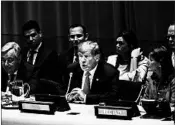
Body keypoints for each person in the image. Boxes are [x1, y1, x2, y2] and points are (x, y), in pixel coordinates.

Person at [66, 40, 119, 104]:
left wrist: (86, 97)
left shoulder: (109, 72)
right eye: (80, 56)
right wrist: (68, 96)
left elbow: (113, 96)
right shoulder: (72, 69)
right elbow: (62, 89)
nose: (82, 60)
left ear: (97, 57)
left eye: (86, 56)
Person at [21, 20, 64, 95]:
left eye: (33, 35)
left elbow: (51, 80)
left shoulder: (50, 53)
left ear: (40, 34)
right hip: (24, 93)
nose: (30, 39)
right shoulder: (23, 52)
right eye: (27, 37)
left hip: (42, 93)